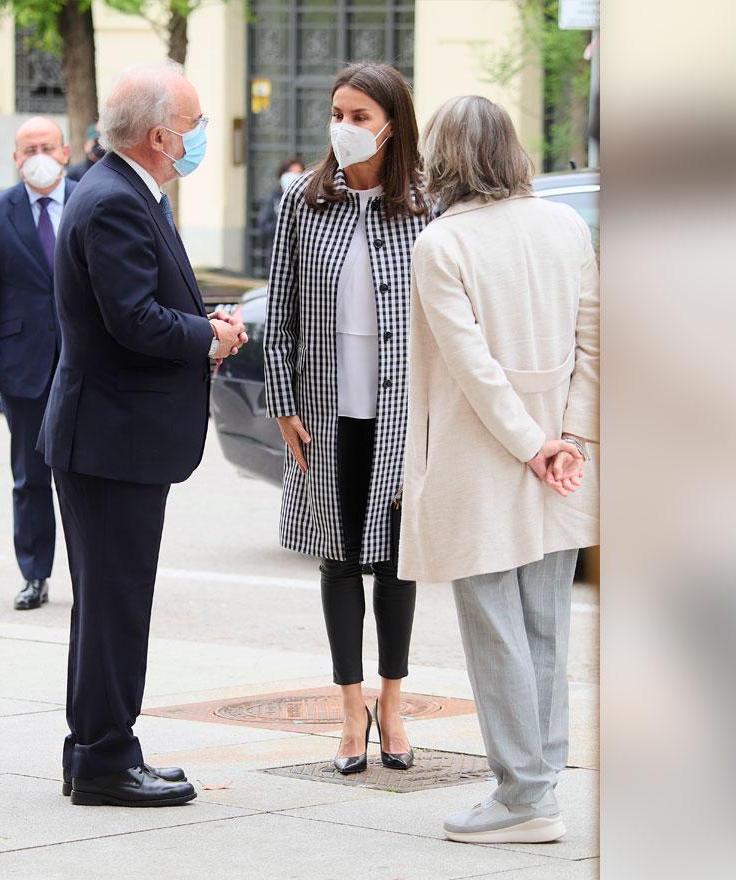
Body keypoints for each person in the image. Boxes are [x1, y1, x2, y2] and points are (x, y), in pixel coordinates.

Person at [36, 61, 247, 808]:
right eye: (191, 127)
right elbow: (134, 321)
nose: (196, 138)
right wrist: (211, 338)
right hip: (110, 440)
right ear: (160, 135)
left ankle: (97, 751)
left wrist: (201, 324)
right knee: (115, 606)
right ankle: (103, 759)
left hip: (109, 438)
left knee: (107, 607)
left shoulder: (121, 190)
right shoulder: (116, 200)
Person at [398, 95, 599, 844]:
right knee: (546, 622)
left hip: (484, 460)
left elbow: (472, 366)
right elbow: (597, 342)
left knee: (496, 628)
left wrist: (529, 444)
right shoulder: (566, 226)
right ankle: (538, 784)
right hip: (562, 460)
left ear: (443, 158)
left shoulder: (443, 244)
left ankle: (522, 796)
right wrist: (568, 437)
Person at [263, 62, 427, 776]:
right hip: (326, 415)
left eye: (360, 116)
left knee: (396, 563)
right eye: (338, 113)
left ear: (392, 124)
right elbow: (281, 316)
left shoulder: (426, 205)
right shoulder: (305, 199)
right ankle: (347, 709)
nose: (345, 127)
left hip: (401, 415)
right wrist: (283, 405)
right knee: (337, 562)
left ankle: (392, 704)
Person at [0, 116, 76, 611]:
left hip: (86, 362)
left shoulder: (93, 199)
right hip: (22, 363)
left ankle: (91, 574)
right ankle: (34, 575)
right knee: (30, 478)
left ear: (64, 152)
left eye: (47, 146)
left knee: (88, 475)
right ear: (15, 159)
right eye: (29, 149)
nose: (38, 156)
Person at [256, 154, 305, 267]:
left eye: (298, 173)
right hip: (277, 257)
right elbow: (263, 226)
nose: (294, 177)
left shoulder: (309, 200)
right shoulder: (274, 198)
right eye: (290, 173)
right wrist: (282, 225)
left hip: (302, 259)